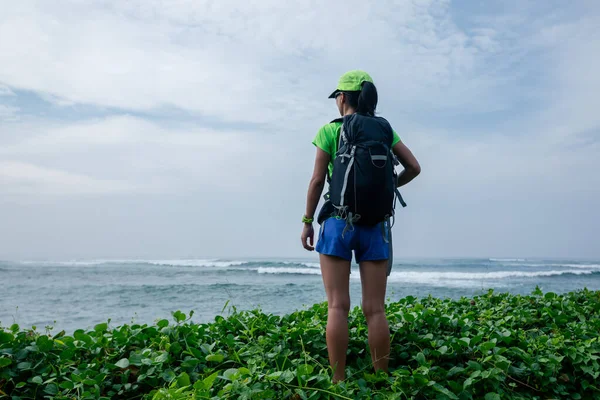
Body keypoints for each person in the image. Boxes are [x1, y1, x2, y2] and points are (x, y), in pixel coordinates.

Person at [301, 70, 421, 382]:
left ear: (342, 97)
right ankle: (381, 381)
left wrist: (306, 221)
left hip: (337, 222)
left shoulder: (329, 131)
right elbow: (414, 167)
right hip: (375, 225)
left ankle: (338, 381)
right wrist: (390, 185)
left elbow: (316, 181)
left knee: (338, 307)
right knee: (375, 310)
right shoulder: (384, 130)